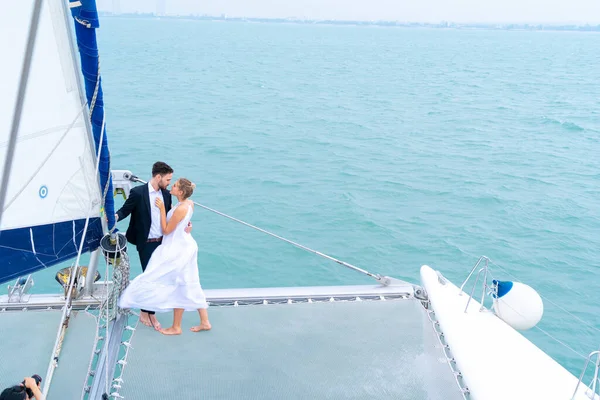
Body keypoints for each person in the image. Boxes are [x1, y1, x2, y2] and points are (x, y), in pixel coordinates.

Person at [119, 178, 211, 335]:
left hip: (178, 248)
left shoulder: (181, 208)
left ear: (180, 192)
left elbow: (167, 230)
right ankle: (204, 322)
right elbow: (183, 223)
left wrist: (162, 210)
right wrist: (186, 226)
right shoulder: (189, 204)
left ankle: (176, 326)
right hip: (185, 244)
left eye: (174, 185)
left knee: (178, 283)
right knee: (189, 282)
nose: (171, 186)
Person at [114, 161, 191, 330]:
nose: (169, 183)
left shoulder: (166, 194)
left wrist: (185, 224)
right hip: (146, 243)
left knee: (157, 278)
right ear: (158, 177)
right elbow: (125, 210)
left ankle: (147, 311)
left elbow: (171, 215)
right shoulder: (138, 193)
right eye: (168, 179)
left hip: (162, 243)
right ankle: (147, 313)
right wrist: (114, 218)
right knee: (151, 277)